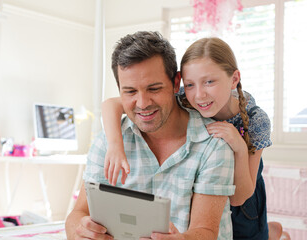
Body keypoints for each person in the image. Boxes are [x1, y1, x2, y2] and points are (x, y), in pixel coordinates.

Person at [102, 37, 291, 240]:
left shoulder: (256, 120)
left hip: (244, 191)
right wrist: (115, 145)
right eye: (190, 84)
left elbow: (239, 198)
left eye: (209, 82)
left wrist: (239, 148)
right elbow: (111, 104)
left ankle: (272, 233)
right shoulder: (183, 96)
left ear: (234, 79)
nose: (199, 95)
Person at [65, 31, 236, 240]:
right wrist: (80, 231)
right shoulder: (107, 143)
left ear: (176, 83)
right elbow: (77, 214)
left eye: (154, 88)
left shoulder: (213, 145)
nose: (143, 103)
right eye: (129, 92)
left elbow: (206, 232)